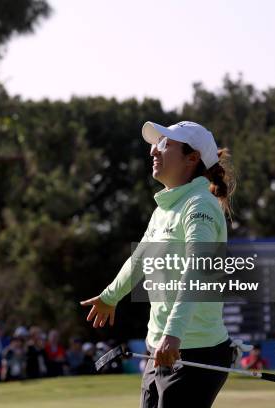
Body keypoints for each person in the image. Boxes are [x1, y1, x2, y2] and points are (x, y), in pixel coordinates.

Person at [81, 121, 236, 408]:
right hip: (160, 348)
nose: (153, 150)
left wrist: (174, 334)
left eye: (165, 143)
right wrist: (110, 297)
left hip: (195, 352)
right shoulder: (166, 207)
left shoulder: (199, 205)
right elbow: (140, 258)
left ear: (192, 158)